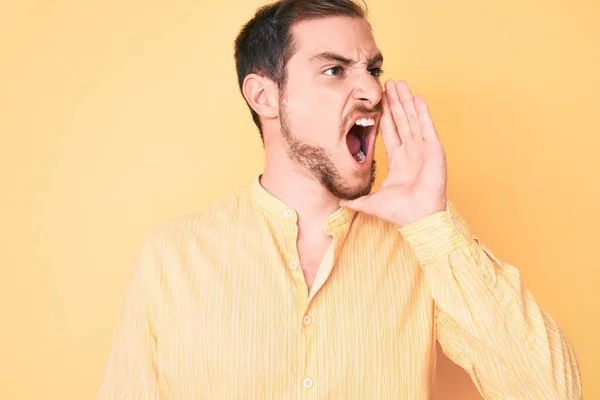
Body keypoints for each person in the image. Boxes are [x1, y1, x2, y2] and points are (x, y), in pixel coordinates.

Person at [98, 0, 582, 398]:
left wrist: (432, 223)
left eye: (373, 69)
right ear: (264, 96)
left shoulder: (422, 246)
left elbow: (552, 393)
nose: (372, 90)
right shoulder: (174, 255)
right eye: (334, 69)